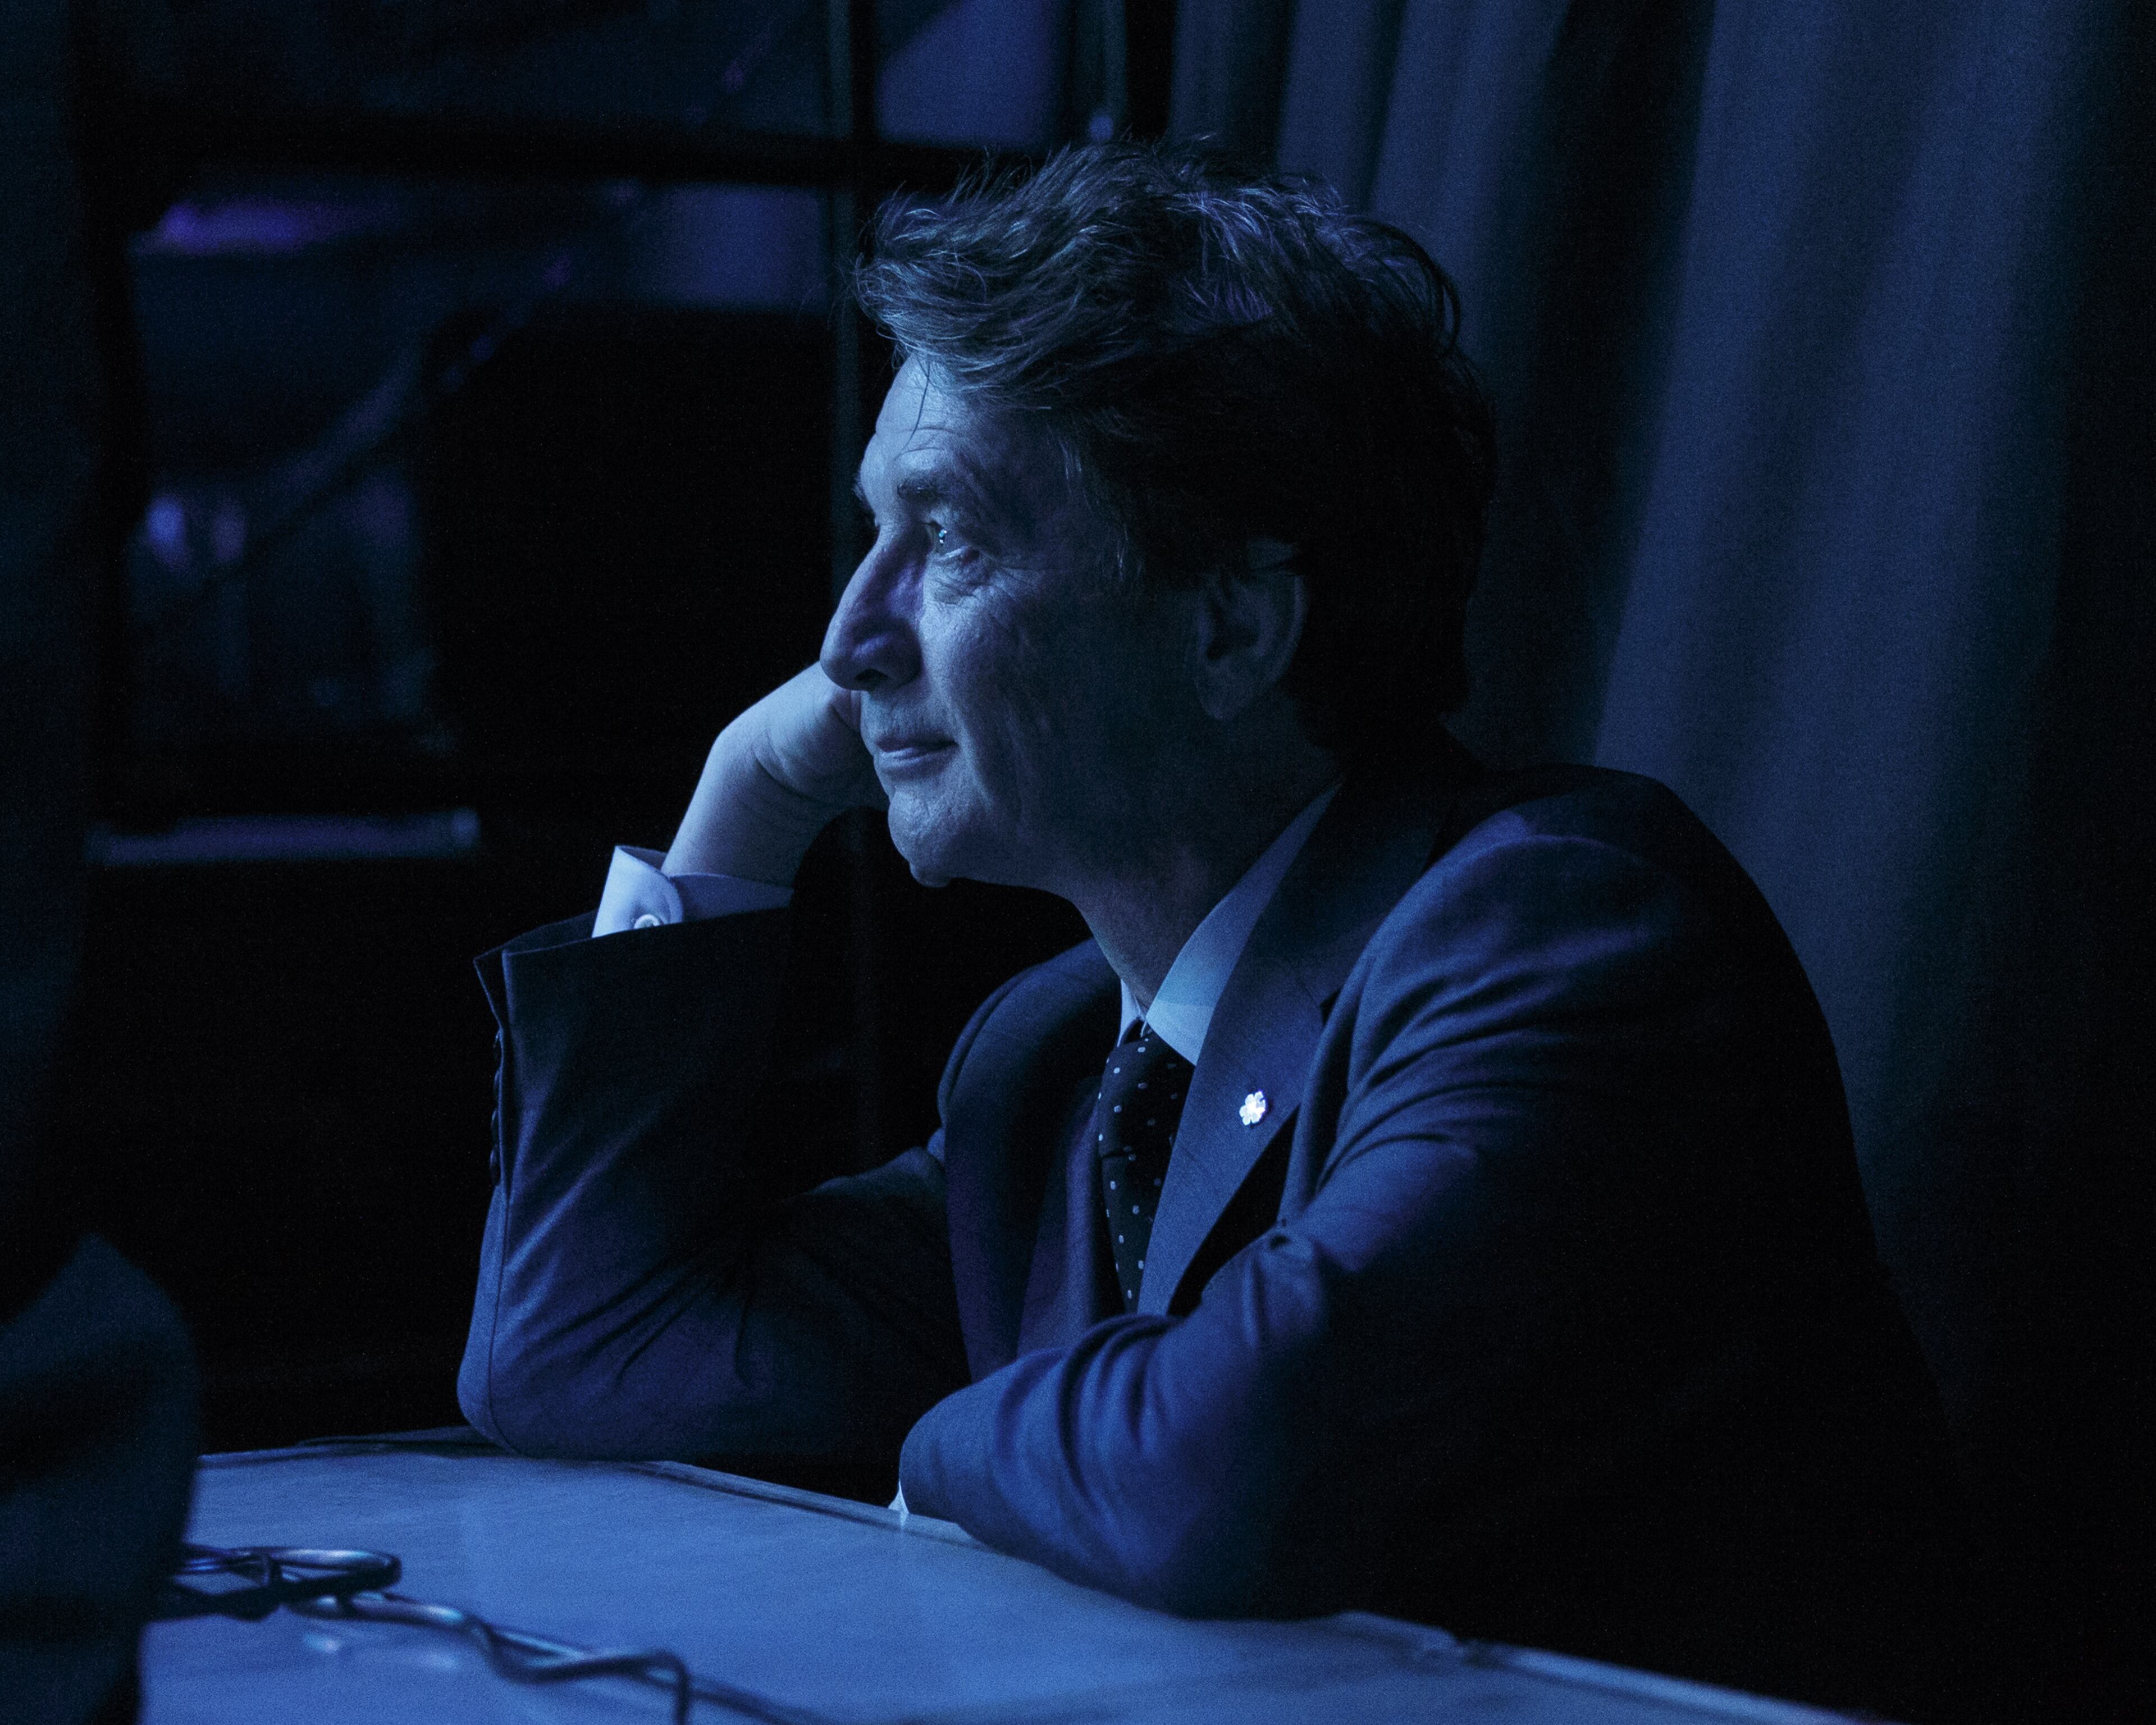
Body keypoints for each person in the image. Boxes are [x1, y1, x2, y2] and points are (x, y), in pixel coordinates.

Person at [458, 143, 1960, 1709]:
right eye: (869, 537)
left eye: (951, 537)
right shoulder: (1043, 1062)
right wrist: (745, 801)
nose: (850, 641)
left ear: (1231, 624)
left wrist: (947, 1431)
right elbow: (579, 1352)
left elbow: (1219, 1475)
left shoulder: (1562, 932)